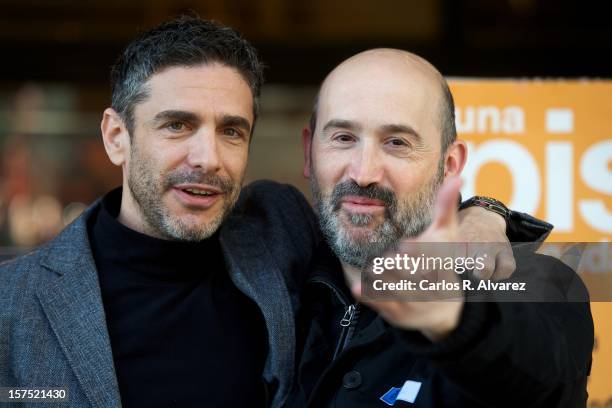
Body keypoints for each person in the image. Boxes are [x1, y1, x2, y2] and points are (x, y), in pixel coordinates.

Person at [0, 17, 552, 408]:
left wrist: (483, 214)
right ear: (117, 136)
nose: (207, 158)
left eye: (231, 131)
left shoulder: (275, 229)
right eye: (177, 125)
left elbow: (379, 211)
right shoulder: (13, 303)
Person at [293, 49, 593, 407]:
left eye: (396, 143)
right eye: (343, 138)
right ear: (309, 151)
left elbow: (544, 379)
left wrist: (458, 319)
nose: (363, 172)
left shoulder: (537, 281)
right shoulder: (279, 271)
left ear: (450, 165)